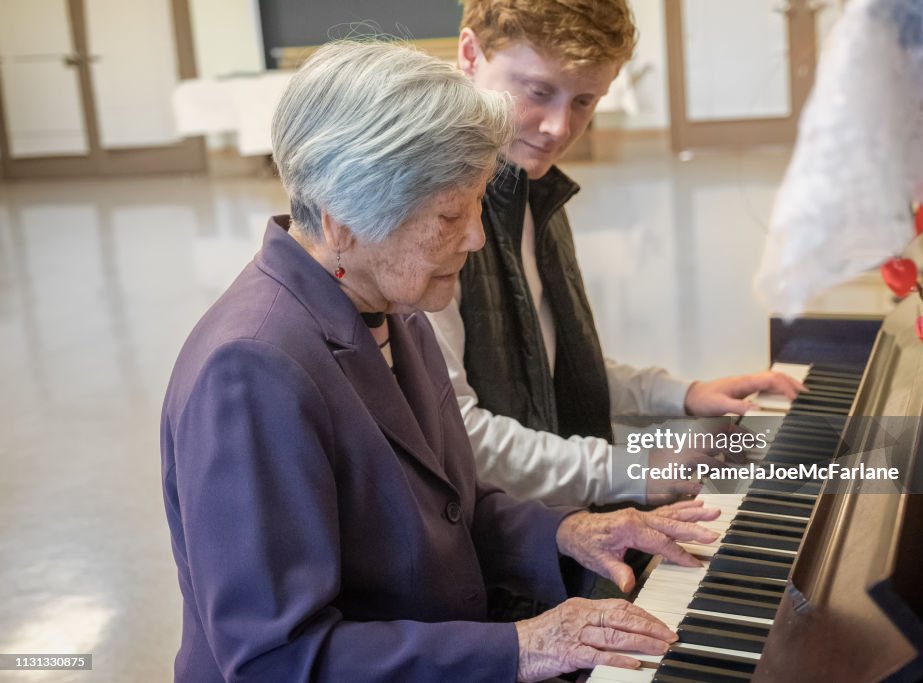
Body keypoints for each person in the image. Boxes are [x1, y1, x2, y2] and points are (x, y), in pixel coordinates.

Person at [160, 41, 723, 682]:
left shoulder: (393, 305)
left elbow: (451, 509)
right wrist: (522, 647)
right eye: (450, 213)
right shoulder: (252, 369)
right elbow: (276, 659)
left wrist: (570, 532)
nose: (477, 237)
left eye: (479, 201)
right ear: (345, 219)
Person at [427, 0, 805, 507]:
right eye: (538, 92)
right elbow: (456, 436)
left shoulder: (535, 192)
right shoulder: (429, 211)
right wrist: (635, 467)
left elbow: (550, 372)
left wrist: (682, 395)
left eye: (584, 101)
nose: (560, 128)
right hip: (492, 550)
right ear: (471, 54)